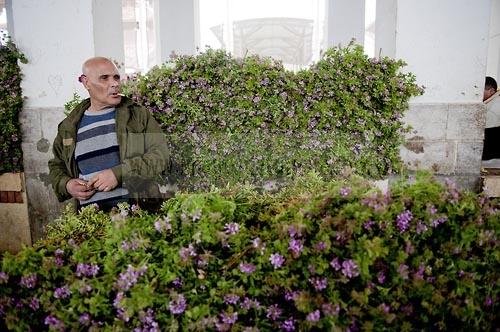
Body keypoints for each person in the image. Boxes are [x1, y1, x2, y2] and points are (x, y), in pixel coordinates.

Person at [48, 57, 170, 212]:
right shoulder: (69, 126)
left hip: (139, 218)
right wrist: (67, 185)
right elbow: (57, 165)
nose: (115, 84)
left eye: (116, 77)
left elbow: (161, 156)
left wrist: (119, 174)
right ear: (86, 83)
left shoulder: (137, 116)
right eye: (104, 78)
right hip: (92, 225)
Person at [482, 76, 500, 162]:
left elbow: (487, 129)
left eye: (481, 90)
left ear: (492, 91)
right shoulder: (493, 101)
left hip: (492, 153)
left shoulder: (495, 106)